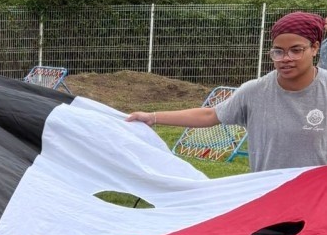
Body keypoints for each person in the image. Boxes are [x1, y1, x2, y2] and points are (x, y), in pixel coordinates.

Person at [126, 11, 327, 172]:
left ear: (315, 48)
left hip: (318, 201)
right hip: (268, 198)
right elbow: (210, 114)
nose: (286, 58)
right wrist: (152, 116)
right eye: (278, 51)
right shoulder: (255, 91)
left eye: (296, 50)